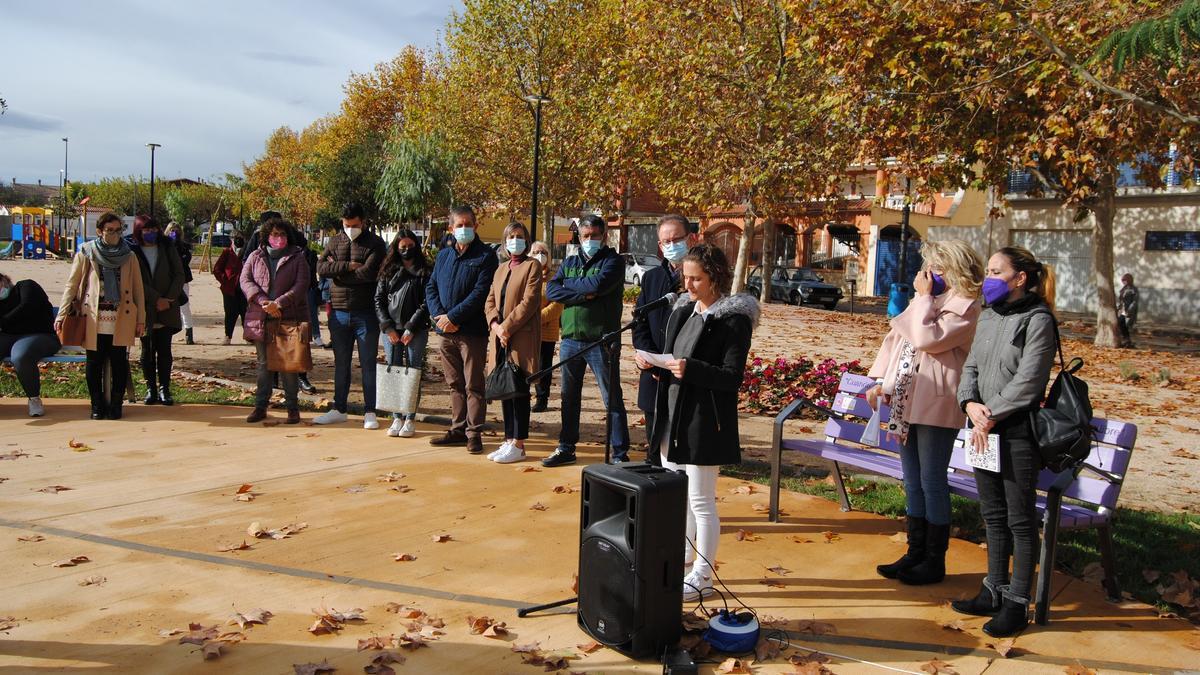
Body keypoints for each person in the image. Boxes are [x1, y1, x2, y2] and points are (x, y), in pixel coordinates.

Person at [635, 244, 758, 601]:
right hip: (672, 414)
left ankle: (703, 574)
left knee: (702, 501)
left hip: (704, 421)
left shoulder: (732, 320)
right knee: (679, 495)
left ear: (715, 277)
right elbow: (672, 354)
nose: (687, 285)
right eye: (684, 277)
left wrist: (692, 370)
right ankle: (685, 558)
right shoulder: (684, 311)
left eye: (696, 279)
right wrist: (654, 364)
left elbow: (732, 376)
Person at [953, 245, 1058, 638]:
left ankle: (1017, 602)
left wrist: (992, 412)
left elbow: (1030, 382)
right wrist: (970, 404)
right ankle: (993, 590)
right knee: (992, 515)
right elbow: (972, 366)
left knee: (1019, 520)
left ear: (1020, 279)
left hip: (1016, 434)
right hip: (982, 430)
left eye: (997, 272)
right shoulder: (989, 314)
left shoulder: (1038, 320)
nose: (988, 280)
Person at [866, 240, 984, 586]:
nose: (929, 275)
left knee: (932, 480)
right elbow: (897, 341)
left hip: (936, 400)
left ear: (955, 269)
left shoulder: (965, 306)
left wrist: (923, 299)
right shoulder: (928, 302)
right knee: (912, 479)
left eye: (937, 267)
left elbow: (924, 339)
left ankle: (934, 560)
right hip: (908, 398)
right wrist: (883, 384)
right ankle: (914, 551)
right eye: (929, 268)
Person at [543, 215, 632, 467]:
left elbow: (599, 284)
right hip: (571, 339)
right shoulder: (570, 261)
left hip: (602, 341)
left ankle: (619, 454)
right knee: (568, 397)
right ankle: (566, 447)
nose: (590, 239)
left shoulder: (613, 261)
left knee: (611, 397)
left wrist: (570, 290)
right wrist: (585, 295)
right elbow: (552, 290)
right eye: (585, 235)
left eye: (595, 235)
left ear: (603, 236)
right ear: (578, 236)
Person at [56, 212, 145, 420]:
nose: (114, 234)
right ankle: (96, 404)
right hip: (93, 317)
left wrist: (141, 319)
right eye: (109, 230)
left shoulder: (129, 255)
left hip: (121, 317)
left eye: (118, 230)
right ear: (99, 231)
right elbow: (72, 285)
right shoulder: (86, 253)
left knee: (119, 362)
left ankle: (116, 404)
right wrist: (61, 315)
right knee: (94, 362)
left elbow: (138, 290)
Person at [425, 205, 499, 454]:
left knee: (473, 385)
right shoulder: (444, 255)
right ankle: (457, 428)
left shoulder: (486, 256)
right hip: (445, 332)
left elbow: (481, 293)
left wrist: (454, 317)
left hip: (471, 332)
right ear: (451, 228)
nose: (464, 228)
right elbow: (431, 286)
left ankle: (474, 432)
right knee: (454, 383)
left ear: (476, 226)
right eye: (460, 225)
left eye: (469, 224)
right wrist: (440, 317)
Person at [315, 203, 387, 428]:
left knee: (368, 364)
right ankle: (339, 408)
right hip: (338, 312)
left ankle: (370, 411)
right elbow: (320, 268)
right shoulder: (334, 241)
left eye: (354, 225)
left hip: (365, 314)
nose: (350, 229)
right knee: (341, 364)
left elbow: (369, 274)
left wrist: (337, 270)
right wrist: (348, 266)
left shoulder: (375, 243)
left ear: (363, 222)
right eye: (347, 225)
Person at [632, 214, 695, 452]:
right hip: (652, 375)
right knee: (656, 445)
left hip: (682, 374)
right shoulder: (652, 277)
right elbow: (640, 322)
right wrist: (645, 356)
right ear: (659, 245)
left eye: (676, 239)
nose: (671, 245)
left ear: (691, 238)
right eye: (665, 241)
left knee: (681, 450)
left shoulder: (701, 279)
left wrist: (667, 365)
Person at [240, 218, 310, 424]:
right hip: (261, 317)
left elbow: (301, 284)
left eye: (282, 234)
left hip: (288, 318)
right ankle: (260, 406)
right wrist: (263, 301)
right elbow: (245, 280)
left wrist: (279, 303)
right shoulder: (255, 256)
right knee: (264, 366)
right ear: (266, 236)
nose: (278, 238)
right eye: (274, 234)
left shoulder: (297, 257)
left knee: (288, 365)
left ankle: (292, 408)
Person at [483, 223, 543, 463]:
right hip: (500, 339)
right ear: (504, 241)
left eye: (519, 237)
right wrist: (496, 327)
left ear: (526, 241)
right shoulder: (500, 269)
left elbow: (529, 302)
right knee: (505, 389)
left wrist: (506, 327)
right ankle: (508, 439)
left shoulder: (532, 266)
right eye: (511, 237)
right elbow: (489, 301)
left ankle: (519, 443)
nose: (515, 241)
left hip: (520, 338)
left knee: (518, 390)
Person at [374, 228, 431, 437]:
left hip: (415, 329)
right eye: (402, 247)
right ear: (396, 249)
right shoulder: (388, 270)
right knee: (394, 370)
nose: (407, 250)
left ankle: (410, 417)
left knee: (413, 372)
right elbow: (378, 300)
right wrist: (387, 327)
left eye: (410, 246)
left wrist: (411, 327)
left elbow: (427, 303)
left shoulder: (425, 271)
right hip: (391, 330)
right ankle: (396, 416)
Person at [130, 214, 185, 406]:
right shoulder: (132, 250)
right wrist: (155, 298)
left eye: (154, 229)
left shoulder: (167, 247)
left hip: (167, 306)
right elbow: (133, 280)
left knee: (164, 349)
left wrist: (168, 298)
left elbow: (179, 274)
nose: (151, 233)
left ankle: (165, 389)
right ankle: (150, 388)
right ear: (139, 230)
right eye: (146, 229)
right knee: (147, 349)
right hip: (144, 307)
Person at [0, 273, 62, 416]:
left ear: (4, 280)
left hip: (41, 335)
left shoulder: (27, 286)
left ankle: (34, 399)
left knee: (21, 356)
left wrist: (2, 322)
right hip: (8, 336)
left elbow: (26, 306)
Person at [530, 241, 562, 413]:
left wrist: (537, 318)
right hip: (526, 329)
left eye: (543, 252)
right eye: (535, 251)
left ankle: (542, 398)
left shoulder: (555, 277)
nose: (539, 254)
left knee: (543, 366)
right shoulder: (526, 274)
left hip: (546, 329)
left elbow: (557, 305)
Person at [164, 223, 195, 345]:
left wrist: (177, 246)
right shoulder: (163, 246)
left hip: (182, 280)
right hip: (167, 281)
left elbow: (184, 261)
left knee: (185, 306)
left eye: (176, 230)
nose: (174, 232)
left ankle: (189, 333)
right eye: (172, 230)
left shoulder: (184, 247)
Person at [213, 234, 246, 345]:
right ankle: (228, 336)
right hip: (229, 289)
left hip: (244, 290)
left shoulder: (248, 253)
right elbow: (217, 269)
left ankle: (247, 336)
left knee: (245, 313)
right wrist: (225, 281)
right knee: (230, 314)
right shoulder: (227, 252)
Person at [1118, 273, 1139, 348]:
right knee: (1121, 324)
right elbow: (1121, 299)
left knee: (1126, 325)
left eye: (1125, 280)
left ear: (1129, 280)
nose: (1123, 282)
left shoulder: (1133, 289)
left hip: (1129, 310)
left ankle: (1128, 341)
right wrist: (1119, 307)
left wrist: (1130, 309)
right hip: (1123, 309)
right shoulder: (1124, 288)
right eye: (1123, 280)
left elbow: (1135, 301)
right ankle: (1127, 340)